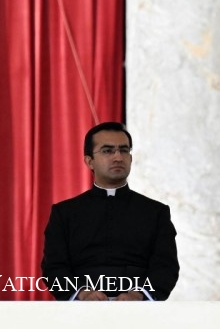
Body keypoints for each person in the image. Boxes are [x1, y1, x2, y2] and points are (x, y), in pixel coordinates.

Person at [41, 122, 179, 301]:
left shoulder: (156, 212)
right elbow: (54, 267)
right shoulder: (65, 213)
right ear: (89, 161)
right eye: (107, 151)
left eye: (124, 150)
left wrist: (140, 295)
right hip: (80, 311)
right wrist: (82, 294)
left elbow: (165, 266)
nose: (118, 157)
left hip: (139, 311)